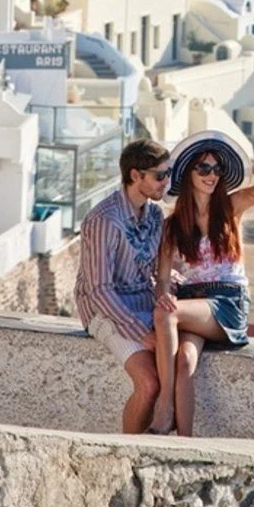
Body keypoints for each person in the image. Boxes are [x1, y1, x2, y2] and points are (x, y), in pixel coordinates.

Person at [149, 131, 254, 436]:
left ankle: (164, 405)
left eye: (216, 168)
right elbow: (162, 278)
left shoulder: (231, 206)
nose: (211, 175)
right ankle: (182, 443)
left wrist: (243, 163)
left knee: (166, 315)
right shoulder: (172, 226)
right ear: (188, 174)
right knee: (184, 360)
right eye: (203, 168)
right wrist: (163, 296)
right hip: (192, 304)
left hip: (227, 301)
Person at [74, 137, 171, 434]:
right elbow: (99, 289)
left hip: (143, 304)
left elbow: (156, 270)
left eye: (168, 174)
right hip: (106, 311)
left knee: (178, 370)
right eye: (159, 175)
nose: (165, 183)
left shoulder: (155, 214)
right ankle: (129, 453)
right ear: (135, 176)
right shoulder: (103, 220)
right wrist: (141, 332)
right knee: (150, 383)